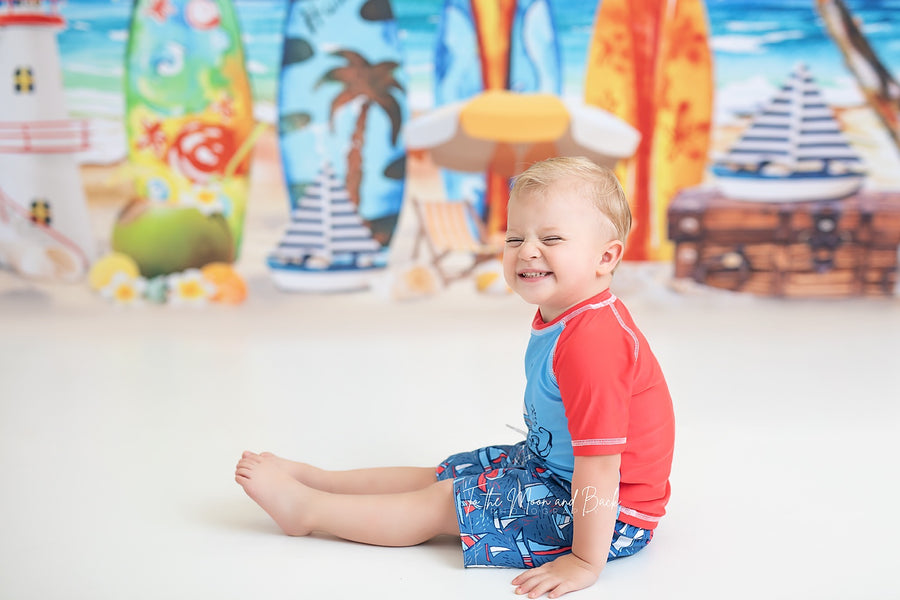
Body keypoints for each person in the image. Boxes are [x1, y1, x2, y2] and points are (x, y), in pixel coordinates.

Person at [235, 156, 675, 599]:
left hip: (611, 514)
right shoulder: (566, 315)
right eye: (515, 237)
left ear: (605, 257)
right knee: (447, 473)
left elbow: (601, 465)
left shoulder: (593, 343)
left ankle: (307, 510)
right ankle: (319, 480)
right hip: (554, 468)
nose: (527, 251)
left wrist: (584, 560)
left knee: (443, 502)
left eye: (551, 238)